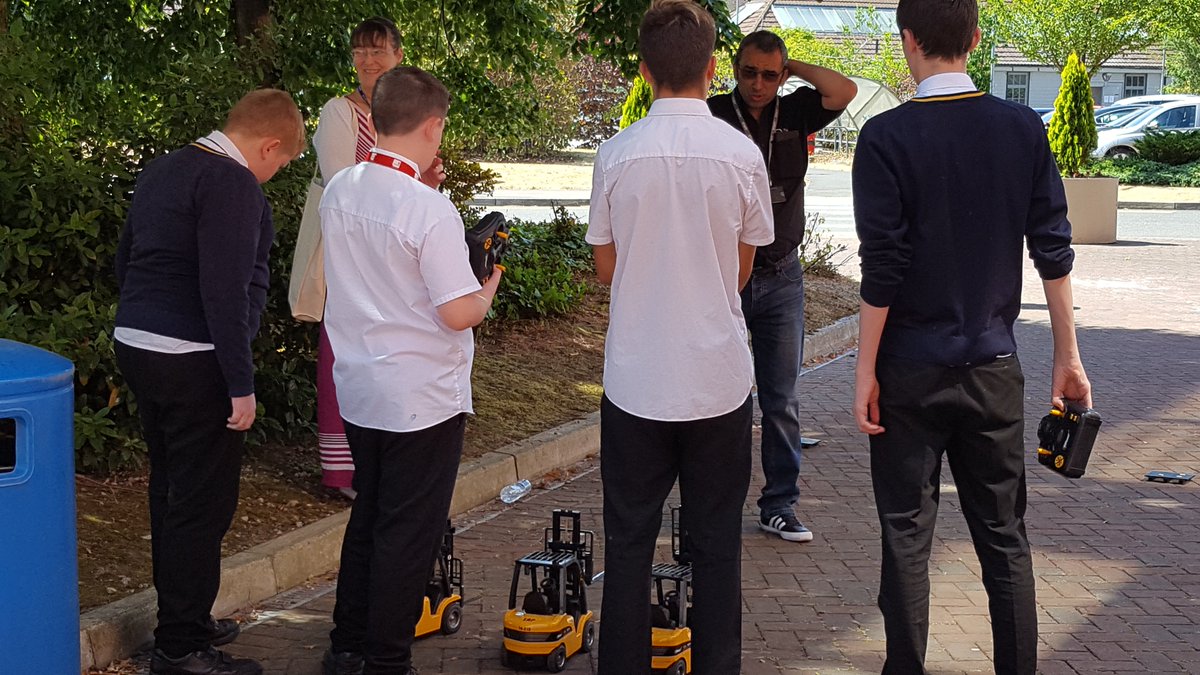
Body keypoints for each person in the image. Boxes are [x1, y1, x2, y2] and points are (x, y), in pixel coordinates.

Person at [851, 1, 1092, 673]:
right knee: (1005, 540)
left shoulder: (885, 138)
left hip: (907, 369)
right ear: (976, 38)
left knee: (905, 538)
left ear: (907, 39)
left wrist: (864, 369)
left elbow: (883, 266)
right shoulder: (1021, 129)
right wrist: (1068, 356)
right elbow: (1053, 249)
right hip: (992, 365)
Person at [586, 2, 774, 673]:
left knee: (628, 544)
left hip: (636, 379)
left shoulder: (615, 153)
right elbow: (744, 268)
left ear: (643, 70)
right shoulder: (741, 154)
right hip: (716, 379)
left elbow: (606, 267)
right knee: (718, 544)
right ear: (713, 67)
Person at [114, 89, 305, 675]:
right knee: (202, 503)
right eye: (281, 163)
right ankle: (180, 646)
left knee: (170, 489)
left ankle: (185, 617)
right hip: (194, 358)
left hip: (138, 343)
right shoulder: (233, 183)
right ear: (270, 145)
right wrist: (240, 384)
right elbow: (224, 291)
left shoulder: (164, 168)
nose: (273, 174)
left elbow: (126, 259)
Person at [319, 66, 501, 675]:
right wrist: (488, 287)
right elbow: (457, 312)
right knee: (408, 531)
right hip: (421, 395)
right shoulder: (429, 210)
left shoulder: (341, 187)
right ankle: (387, 659)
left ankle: (348, 644)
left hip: (359, 384)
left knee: (369, 514)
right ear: (433, 126)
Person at [708, 30, 856, 543]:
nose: (758, 84)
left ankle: (779, 504)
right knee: (718, 397)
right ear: (735, 69)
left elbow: (844, 90)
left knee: (781, 399)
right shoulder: (713, 114)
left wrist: (796, 70)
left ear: (782, 75)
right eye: (749, 72)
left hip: (782, 276)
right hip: (724, 275)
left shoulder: (794, 111)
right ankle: (713, 505)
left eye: (770, 75)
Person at [310, 17, 445, 498]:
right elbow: (341, 181)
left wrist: (424, 183)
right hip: (353, 245)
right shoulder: (339, 111)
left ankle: (388, 458)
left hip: (395, 250)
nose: (368, 60)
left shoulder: (410, 109)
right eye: (360, 51)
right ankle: (343, 471)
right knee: (346, 350)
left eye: (378, 51)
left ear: (398, 56)